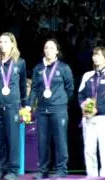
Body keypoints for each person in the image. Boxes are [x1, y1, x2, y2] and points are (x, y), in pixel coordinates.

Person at [26, 39, 74, 179]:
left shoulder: (64, 68)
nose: (48, 50)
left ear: (57, 51)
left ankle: (61, 170)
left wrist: (61, 101)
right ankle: (43, 169)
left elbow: (70, 88)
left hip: (58, 109)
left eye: (52, 48)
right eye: (46, 47)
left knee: (60, 140)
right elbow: (34, 89)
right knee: (42, 140)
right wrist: (30, 104)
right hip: (41, 110)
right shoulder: (38, 68)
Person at [0, 32, 27, 180]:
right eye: (0, 42)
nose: (2, 45)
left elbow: (23, 85)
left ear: (12, 44)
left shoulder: (20, 62)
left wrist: (25, 105)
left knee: (12, 138)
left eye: (5, 42)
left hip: (13, 105)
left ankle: (13, 169)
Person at [78, 47, 105, 177]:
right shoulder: (87, 75)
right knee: (89, 149)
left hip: (103, 117)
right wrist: (83, 107)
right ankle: (92, 175)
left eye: (99, 55)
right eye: (94, 55)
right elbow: (80, 94)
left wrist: (98, 109)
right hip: (89, 117)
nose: (95, 57)